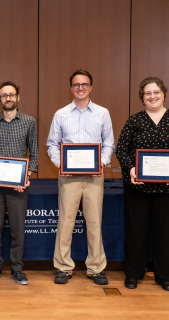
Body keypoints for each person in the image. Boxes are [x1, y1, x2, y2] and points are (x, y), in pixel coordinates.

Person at [47, 69, 115, 285]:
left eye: (84, 84)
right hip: (68, 178)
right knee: (66, 221)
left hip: (95, 177)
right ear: (71, 88)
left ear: (91, 87)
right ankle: (63, 267)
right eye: (76, 85)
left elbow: (109, 144)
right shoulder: (61, 114)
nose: (80, 88)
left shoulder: (103, 113)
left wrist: (102, 162)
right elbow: (51, 144)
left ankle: (96, 268)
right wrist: (60, 164)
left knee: (94, 222)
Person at [0, 81, 38, 285]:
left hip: (18, 187)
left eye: (11, 95)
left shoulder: (29, 121)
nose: (8, 98)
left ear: (18, 97)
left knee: (17, 229)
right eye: (4, 95)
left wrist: (27, 176)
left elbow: (35, 153)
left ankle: (17, 269)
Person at [116, 77, 169, 291]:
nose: (152, 96)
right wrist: (131, 169)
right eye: (147, 93)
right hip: (137, 186)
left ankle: (164, 275)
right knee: (136, 231)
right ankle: (134, 274)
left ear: (164, 93)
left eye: (156, 92)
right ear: (142, 98)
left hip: (166, 189)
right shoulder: (135, 120)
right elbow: (121, 149)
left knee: (165, 232)